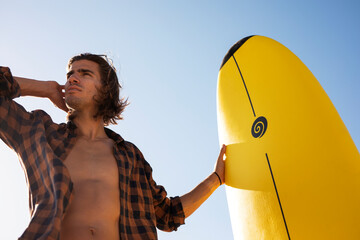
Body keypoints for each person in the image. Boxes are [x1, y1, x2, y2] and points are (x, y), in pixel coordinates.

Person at [0, 53, 226, 240]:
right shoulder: (40, 132)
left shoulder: (130, 156)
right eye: (70, 74)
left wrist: (216, 178)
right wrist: (45, 88)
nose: (72, 79)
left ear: (105, 89)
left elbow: (168, 215)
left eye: (84, 73)